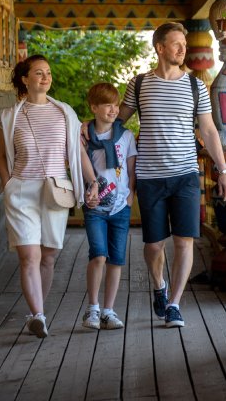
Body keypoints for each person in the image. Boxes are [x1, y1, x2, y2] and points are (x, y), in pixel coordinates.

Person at [119, 22, 226, 328]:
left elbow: (209, 130)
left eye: (184, 43)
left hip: (185, 175)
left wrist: (223, 170)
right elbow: (117, 123)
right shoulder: (139, 85)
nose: (183, 49)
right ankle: (159, 286)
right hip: (149, 176)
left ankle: (174, 304)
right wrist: (89, 132)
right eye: (176, 44)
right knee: (154, 245)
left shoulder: (196, 86)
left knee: (184, 242)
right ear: (160, 48)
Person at [0, 55, 98, 338]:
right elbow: (1, 157)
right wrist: (7, 184)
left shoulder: (65, 113)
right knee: (29, 256)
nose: (45, 77)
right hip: (21, 191)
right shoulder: (9, 117)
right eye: (39, 73)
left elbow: (78, 152)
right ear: (25, 79)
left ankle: (36, 312)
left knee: (48, 257)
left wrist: (92, 181)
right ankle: (38, 315)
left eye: (48, 73)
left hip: (56, 190)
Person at [80, 82, 137, 330]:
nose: (113, 110)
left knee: (116, 259)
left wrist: (131, 196)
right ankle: (92, 308)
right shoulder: (84, 136)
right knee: (98, 255)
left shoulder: (125, 136)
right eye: (107, 105)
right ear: (94, 108)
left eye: (115, 105)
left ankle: (108, 311)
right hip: (95, 207)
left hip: (120, 207)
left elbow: (132, 170)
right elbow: (78, 169)